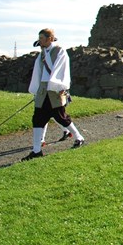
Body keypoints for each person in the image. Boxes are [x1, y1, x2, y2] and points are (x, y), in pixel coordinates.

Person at [22, 28, 85, 160]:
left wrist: (60, 86)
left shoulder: (59, 51)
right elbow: (38, 72)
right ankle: (36, 150)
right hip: (43, 89)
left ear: (50, 38)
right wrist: (38, 89)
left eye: (42, 38)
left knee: (61, 117)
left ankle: (79, 137)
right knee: (38, 118)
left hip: (55, 88)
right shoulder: (42, 53)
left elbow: (60, 70)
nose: (39, 41)